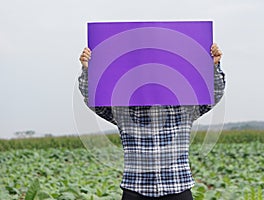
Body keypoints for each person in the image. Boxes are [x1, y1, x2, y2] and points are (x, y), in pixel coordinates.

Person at [78, 43, 225, 200]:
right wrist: (88, 70)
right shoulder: (123, 111)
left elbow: (214, 94)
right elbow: (93, 100)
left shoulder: (185, 107)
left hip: (177, 188)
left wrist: (214, 66)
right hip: (135, 190)